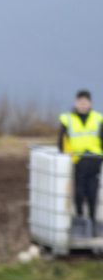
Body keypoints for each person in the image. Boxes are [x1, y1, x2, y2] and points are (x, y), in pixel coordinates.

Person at [58, 90, 103, 236]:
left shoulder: (98, 119)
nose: (83, 105)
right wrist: (66, 156)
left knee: (92, 193)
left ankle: (92, 223)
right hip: (77, 161)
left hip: (95, 160)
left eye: (86, 102)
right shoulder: (67, 119)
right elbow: (62, 141)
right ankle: (79, 220)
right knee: (79, 192)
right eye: (80, 102)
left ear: (90, 103)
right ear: (76, 103)